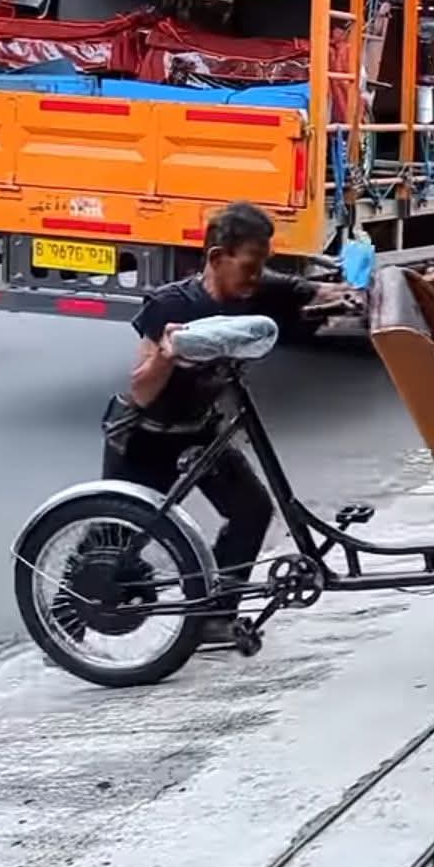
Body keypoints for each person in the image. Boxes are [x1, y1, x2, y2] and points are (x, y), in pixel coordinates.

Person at [101, 201, 351, 644]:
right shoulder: (171, 304)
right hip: (147, 437)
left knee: (252, 510)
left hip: (201, 432)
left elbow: (314, 291)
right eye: (250, 265)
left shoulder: (254, 290)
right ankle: (65, 627)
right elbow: (140, 389)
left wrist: (360, 290)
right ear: (218, 257)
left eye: (262, 265)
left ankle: (214, 616)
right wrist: (168, 352)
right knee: (112, 543)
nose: (256, 277)